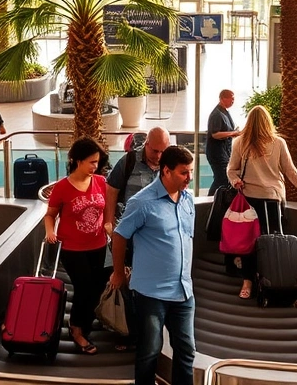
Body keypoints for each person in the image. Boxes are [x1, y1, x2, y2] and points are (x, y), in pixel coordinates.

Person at [109, 146, 196, 385]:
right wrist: (118, 272)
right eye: (184, 172)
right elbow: (119, 235)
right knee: (149, 351)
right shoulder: (142, 202)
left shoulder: (188, 199)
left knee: (187, 351)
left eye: (191, 171)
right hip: (151, 294)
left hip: (183, 292)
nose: (189, 177)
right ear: (166, 171)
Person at [227, 105, 297, 303]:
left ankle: (248, 282)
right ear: (267, 122)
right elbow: (291, 171)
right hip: (272, 200)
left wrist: (235, 181)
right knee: (275, 241)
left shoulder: (239, 143)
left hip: (248, 200)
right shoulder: (278, 143)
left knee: (248, 243)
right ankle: (278, 280)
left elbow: (231, 169)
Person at [44, 137, 108, 355]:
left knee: (98, 286)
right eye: (91, 162)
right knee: (83, 287)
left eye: (96, 162)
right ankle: (77, 329)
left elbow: (106, 211)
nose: (95, 166)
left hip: (98, 245)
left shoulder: (100, 182)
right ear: (77, 161)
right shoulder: (62, 187)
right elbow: (50, 215)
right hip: (72, 248)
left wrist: (110, 227)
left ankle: (87, 322)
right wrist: (50, 231)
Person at [103, 127, 171, 235]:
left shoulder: (171, 163)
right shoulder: (129, 161)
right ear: (146, 144)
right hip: (130, 230)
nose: (158, 156)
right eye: (155, 151)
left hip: (159, 230)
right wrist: (109, 223)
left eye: (162, 151)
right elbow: (111, 190)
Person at [206, 90, 240, 197]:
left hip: (225, 151)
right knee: (221, 178)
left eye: (233, 98)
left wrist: (234, 132)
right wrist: (232, 133)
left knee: (222, 179)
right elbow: (215, 134)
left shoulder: (225, 112)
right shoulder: (216, 114)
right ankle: (210, 200)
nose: (233, 101)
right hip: (217, 152)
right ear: (222, 99)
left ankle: (214, 200)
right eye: (231, 98)